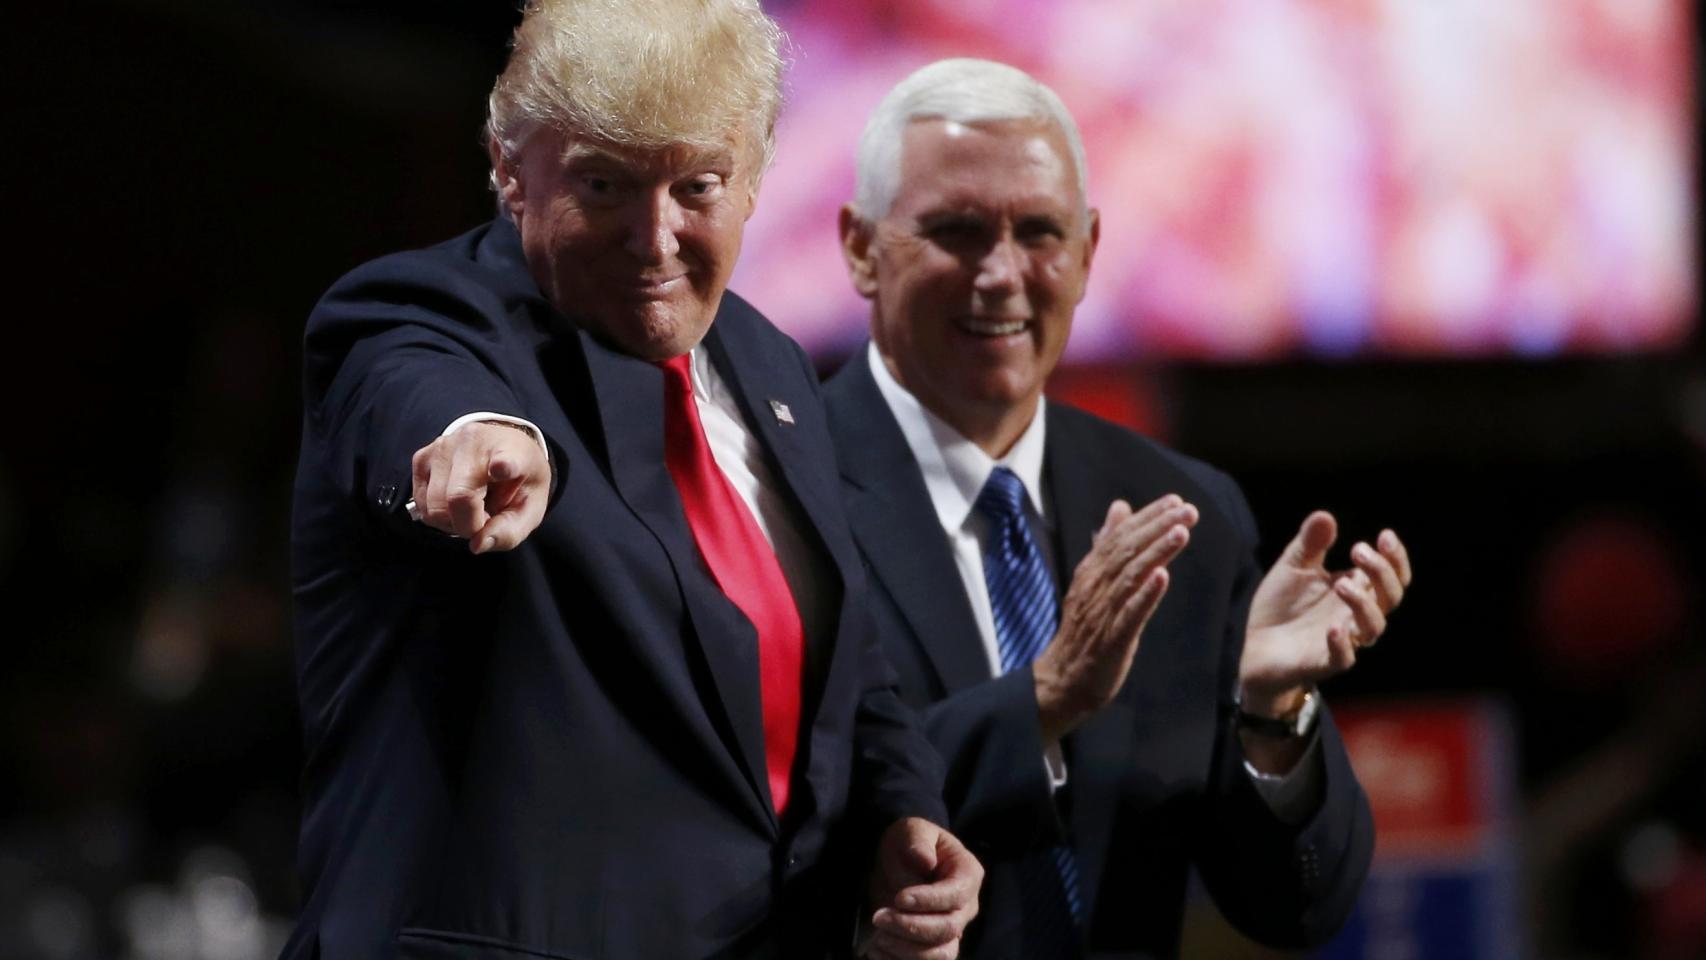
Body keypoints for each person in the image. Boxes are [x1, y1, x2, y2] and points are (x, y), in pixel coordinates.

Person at [284, 5, 992, 958]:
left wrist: (905, 819)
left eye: (697, 186)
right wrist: (472, 441)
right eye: (604, 184)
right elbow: (410, 388)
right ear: (509, 168)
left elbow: (847, 665)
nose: (654, 239)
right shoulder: (420, 312)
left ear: (756, 173)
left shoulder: (772, 364)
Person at [823, 58, 1412, 959]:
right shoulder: (777, 491)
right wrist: (1044, 703)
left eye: (1039, 232)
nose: (1002, 274)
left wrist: (1271, 707)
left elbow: (1298, 908)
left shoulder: (1186, 518)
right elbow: (777, 817)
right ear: (862, 248)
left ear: (1091, 252)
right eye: (957, 231)